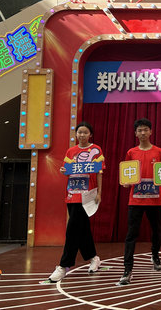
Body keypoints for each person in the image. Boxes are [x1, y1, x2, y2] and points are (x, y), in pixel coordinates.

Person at [48, 121, 105, 282]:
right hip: (72, 194)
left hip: (88, 195)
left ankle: (63, 266)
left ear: (90, 134)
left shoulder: (96, 150)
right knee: (82, 229)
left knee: (72, 229)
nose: (82, 135)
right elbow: (67, 171)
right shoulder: (71, 151)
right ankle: (94, 258)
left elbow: (99, 173)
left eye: (85, 132)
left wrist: (99, 193)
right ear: (76, 134)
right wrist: (63, 171)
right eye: (79, 132)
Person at [118, 118, 161, 285]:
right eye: (140, 130)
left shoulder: (159, 152)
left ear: (151, 132)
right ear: (135, 133)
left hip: (155, 199)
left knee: (157, 231)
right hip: (136, 200)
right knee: (131, 234)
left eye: (146, 129)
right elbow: (127, 175)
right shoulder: (131, 152)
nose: (143, 132)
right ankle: (127, 269)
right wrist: (125, 183)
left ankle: (155, 255)